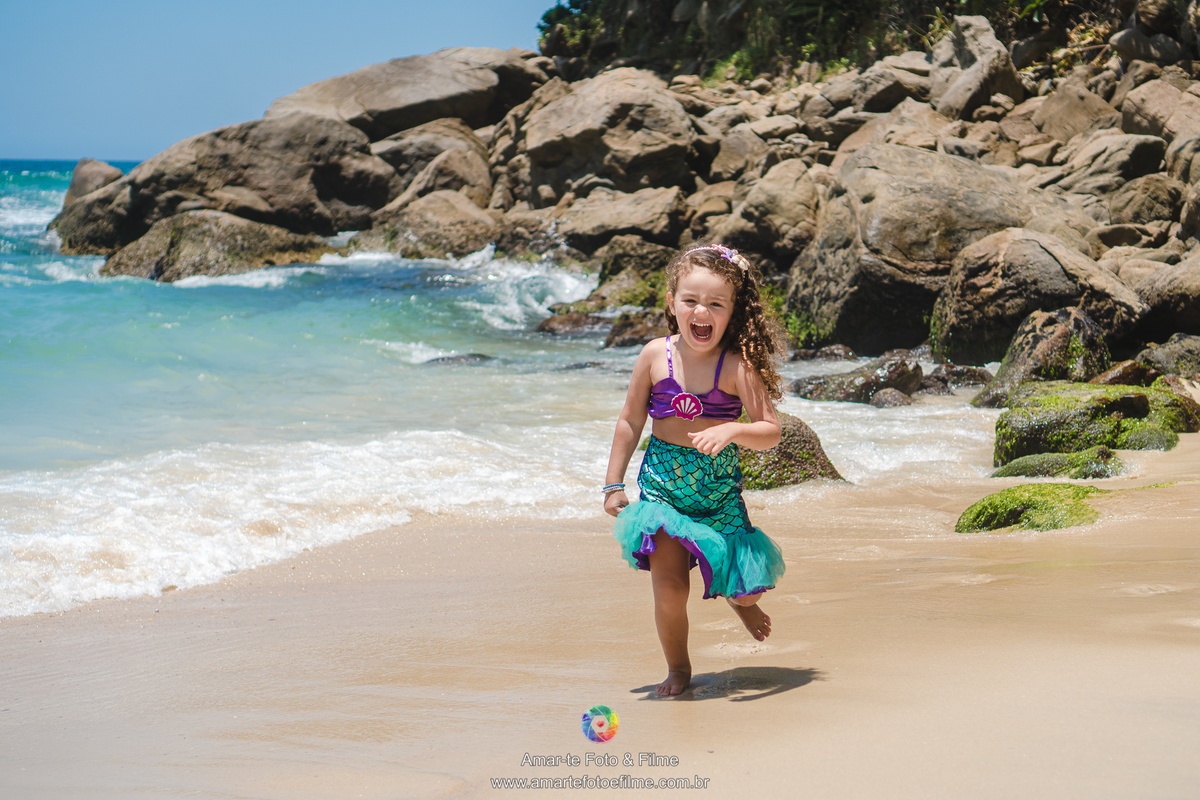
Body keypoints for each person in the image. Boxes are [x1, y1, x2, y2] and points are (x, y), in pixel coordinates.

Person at [602, 243, 787, 697]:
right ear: (672, 303)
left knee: (744, 590)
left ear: (731, 312)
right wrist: (612, 483)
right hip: (664, 491)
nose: (701, 311)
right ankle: (679, 668)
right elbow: (630, 420)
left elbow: (771, 430)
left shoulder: (736, 367)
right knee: (669, 590)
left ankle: (739, 604)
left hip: (718, 495)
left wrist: (730, 431)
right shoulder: (653, 356)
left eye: (715, 303)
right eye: (691, 300)